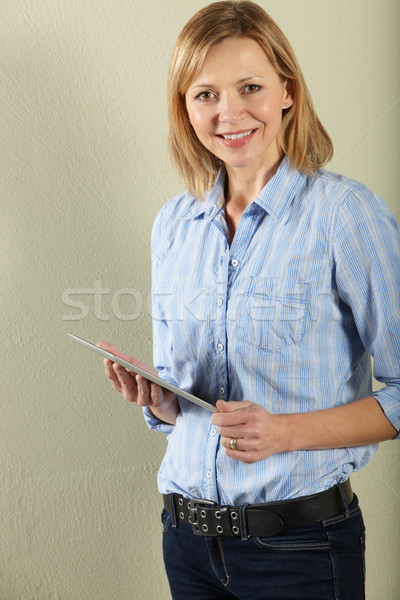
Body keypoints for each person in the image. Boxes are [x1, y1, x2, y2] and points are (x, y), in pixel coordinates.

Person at [98, 2, 400, 598]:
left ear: (287, 91)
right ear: (184, 108)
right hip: (186, 543)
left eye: (251, 87)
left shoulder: (345, 215)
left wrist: (283, 432)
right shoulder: (174, 224)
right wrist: (158, 400)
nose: (228, 113)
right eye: (204, 94)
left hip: (302, 551)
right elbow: (186, 402)